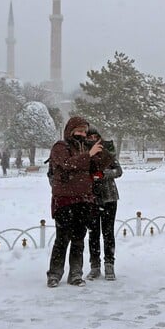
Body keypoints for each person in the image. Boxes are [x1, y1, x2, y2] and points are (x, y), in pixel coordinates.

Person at [46, 117, 112, 288]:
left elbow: (100, 165)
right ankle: (54, 274)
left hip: (83, 199)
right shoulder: (60, 147)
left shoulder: (85, 148)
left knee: (78, 239)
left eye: (85, 131)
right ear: (71, 131)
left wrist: (100, 148)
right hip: (65, 200)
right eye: (79, 131)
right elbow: (67, 164)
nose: (82, 134)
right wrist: (87, 155)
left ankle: (75, 273)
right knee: (62, 239)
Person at [86, 127, 122, 281]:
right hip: (92, 198)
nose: (93, 139)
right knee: (93, 233)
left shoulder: (107, 152)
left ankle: (109, 264)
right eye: (90, 136)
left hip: (109, 197)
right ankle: (95, 266)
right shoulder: (84, 154)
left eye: (95, 136)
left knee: (108, 233)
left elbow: (118, 171)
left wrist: (105, 174)